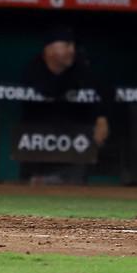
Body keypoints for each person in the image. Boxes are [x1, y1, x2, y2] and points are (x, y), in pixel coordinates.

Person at [22, 26, 111, 184]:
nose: (72, 51)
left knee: (75, 181)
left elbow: (105, 91)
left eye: (73, 46)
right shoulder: (34, 69)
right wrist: (69, 89)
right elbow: (48, 90)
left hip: (75, 143)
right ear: (49, 49)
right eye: (67, 45)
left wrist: (101, 118)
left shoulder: (80, 67)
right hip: (37, 144)